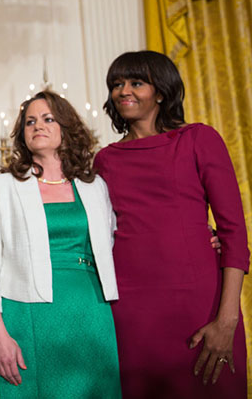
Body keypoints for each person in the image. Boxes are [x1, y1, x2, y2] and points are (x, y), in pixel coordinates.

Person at [94, 50, 248, 398]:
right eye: (116, 84)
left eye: (136, 82)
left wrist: (227, 321)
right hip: (131, 312)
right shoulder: (104, 160)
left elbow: (234, 232)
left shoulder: (198, 139)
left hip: (200, 303)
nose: (123, 91)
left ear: (161, 92)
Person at [0, 90, 122, 398]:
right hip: (28, 313)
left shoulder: (95, 186)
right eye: (29, 122)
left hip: (91, 311)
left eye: (47, 118)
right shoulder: (2, 187)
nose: (37, 125)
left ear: (67, 128)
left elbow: (120, 243)